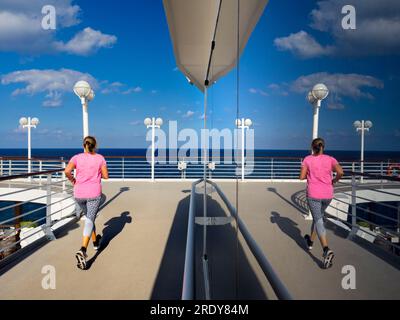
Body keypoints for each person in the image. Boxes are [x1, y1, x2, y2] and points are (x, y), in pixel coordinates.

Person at [65, 136, 109, 270]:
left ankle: (95, 243)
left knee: (90, 218)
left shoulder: (76, 157)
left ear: (84, 145)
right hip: (93, 193)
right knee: (90, 219)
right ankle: (83, 249)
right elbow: (106, 176)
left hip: (79, 194)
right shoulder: (100, 158)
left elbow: (67, 171)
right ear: (94, 146)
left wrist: (73, 180)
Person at [300, 138, 343, 269]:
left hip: (314, 195)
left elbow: (301, 177)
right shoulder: (331, 159)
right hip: (328, 195)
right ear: (323, 147)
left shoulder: (307, 159)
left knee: (318, 219)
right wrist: (333, 180)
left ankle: (326, 249)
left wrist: (308, 172)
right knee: (318, 217)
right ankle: (310, 242)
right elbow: (341, 172)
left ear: (312, 147)